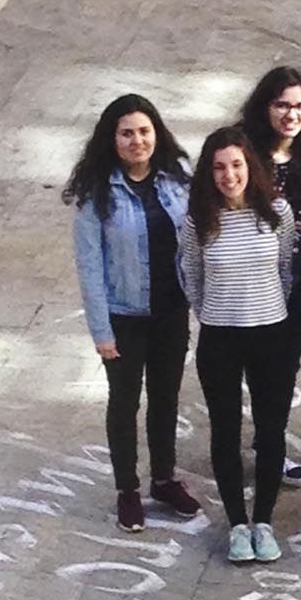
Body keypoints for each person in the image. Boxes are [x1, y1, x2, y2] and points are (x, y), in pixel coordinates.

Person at [64, 94, 200, 533]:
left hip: (170, 311)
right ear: (112, 139)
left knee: (166, 398)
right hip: (123, 315)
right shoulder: (96, 193)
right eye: (127, 133)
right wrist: (101, 332)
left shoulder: (177, 180)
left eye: (144, 131)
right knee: (124, 404)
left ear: (156, 133)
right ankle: (128, 489)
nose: (137, 140)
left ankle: (164, 480)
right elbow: (90, 267)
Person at [178, 127, 295, 564]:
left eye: (237, 165)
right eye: (220, 167)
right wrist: (216, 310)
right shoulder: (199, 221)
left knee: (270, 430)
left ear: (251, 167)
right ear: (210, 173)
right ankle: (236, 525)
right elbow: (192, 276)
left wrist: (266, 306)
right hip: (220, 336)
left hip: (270, 333)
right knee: (225, 432)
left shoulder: (277, 212)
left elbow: (285, 269)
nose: (229, 175)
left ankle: (262, 521)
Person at [239, 66, 301, 489]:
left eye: (299, 106)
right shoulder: (244, 151)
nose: (291, 115)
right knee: (271, 368)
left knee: (295, 363)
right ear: (265, 107)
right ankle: (269, 449)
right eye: (282, 105)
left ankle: (275, 444)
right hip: (263, 281)